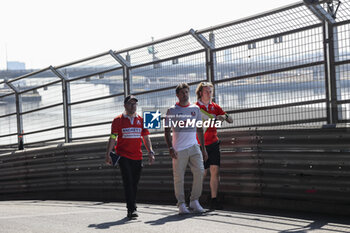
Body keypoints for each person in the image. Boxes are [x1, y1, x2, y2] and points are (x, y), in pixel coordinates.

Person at [105, 95, 155, 219]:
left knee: (134, 183)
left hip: (137, 157)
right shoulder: (118, 120)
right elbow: (113, 137)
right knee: (128, 182)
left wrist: (150, 152)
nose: (133, 106)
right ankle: (131, 209)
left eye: (135, 104)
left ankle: (132, 206)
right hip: (123, 156)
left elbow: (146, 137)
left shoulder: (141, 120)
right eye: (130, 104)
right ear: (125, 105)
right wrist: (108, 154)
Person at [164, 82, 208, 214]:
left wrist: (203, 148)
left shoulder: (195, 109)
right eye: (182, 93)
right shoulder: (172, 110)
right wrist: (171, 148)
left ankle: (194, 201)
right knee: (179, 177)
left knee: (200, 172)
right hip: (179, 149)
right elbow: (166, 131)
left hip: (194, 146)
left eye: (187, 92)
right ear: (177, 95)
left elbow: (199, 129)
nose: (185, 95)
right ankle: (181, 204)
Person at [195, 82, 233, 210]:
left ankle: (214, 200)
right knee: (202, 173)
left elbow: (230, 119)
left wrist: (224, 116)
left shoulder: (215, 106)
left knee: (215, 171)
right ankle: (194, 198)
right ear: (200, 93)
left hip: (214, 143)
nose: (209, 94)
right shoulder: (195, 107)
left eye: (210, 91)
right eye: (206, 91)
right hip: (200, 145)